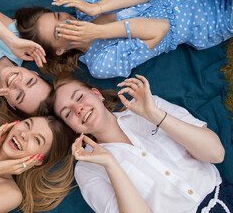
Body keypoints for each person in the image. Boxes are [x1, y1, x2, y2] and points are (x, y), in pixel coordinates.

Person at [42, 72, 232, 212]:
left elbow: (215, 154)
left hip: (221, 196)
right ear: (72, 128)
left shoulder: (151, 105)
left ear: (97, 94)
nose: (79, 109)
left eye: (80, 97)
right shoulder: (87, 169)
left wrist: (156, 115)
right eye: (68, 113)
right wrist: (110, 163)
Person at [15, 0, 233, 77]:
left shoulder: (86, 8)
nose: (66, 20)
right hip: (207, 19)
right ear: (59, 50)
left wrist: (98, 9)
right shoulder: (101, 64)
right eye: (58, 30)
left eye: (58, 15)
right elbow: (160, 28)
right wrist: (99, 32)